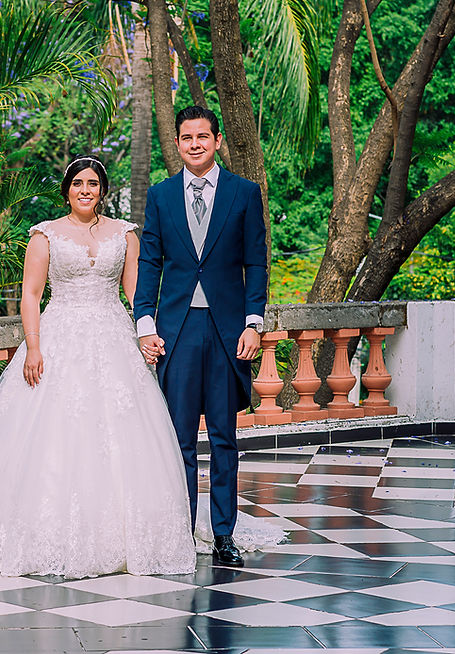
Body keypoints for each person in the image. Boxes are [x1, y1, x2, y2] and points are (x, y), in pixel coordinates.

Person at [0, 154, 282, 579]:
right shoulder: (45, 236)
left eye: (93, 183)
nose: (86, 190)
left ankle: (158, 531)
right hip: (59, 339)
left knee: (133, 438)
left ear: (102, 190)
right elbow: (30, 295)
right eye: (78, 183)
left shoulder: (125, 234)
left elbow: (139, 290)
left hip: (115, 338)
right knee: (58, 439)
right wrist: (34, 347)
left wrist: (146, 332)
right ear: (67, 190)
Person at [134, 106, 268, 567]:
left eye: (203, 136)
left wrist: (254, 324)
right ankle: (182, 533)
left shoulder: (244, 194)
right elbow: (150, 263)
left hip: (228, 331)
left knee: (225, 439)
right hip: (177, 331)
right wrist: (145, 325)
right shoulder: (161, 196)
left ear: (217, 140)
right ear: (177, 143)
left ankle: (224, 535)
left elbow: (257, 263)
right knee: (180, 440)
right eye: (186, 137)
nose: (195, 144)